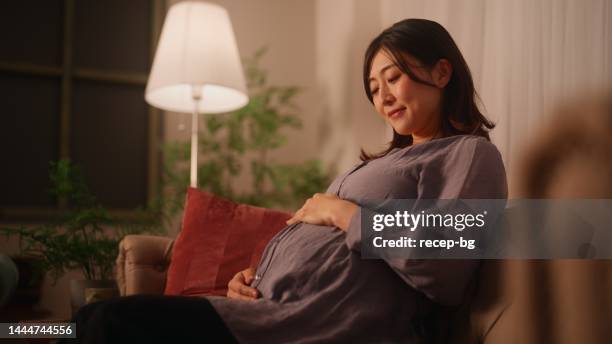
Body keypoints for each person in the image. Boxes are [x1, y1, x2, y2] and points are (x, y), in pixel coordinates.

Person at [65, 19, 507, 343]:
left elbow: (449, 259)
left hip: (318, 326)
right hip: (262, 312)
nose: (383, 96)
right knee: (81, 322)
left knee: (105, 324)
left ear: (442, 73)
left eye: (394, 77)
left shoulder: (469, 154)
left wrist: (340, 211)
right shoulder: (387, 162)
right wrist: (251, 277)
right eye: (374, 88)